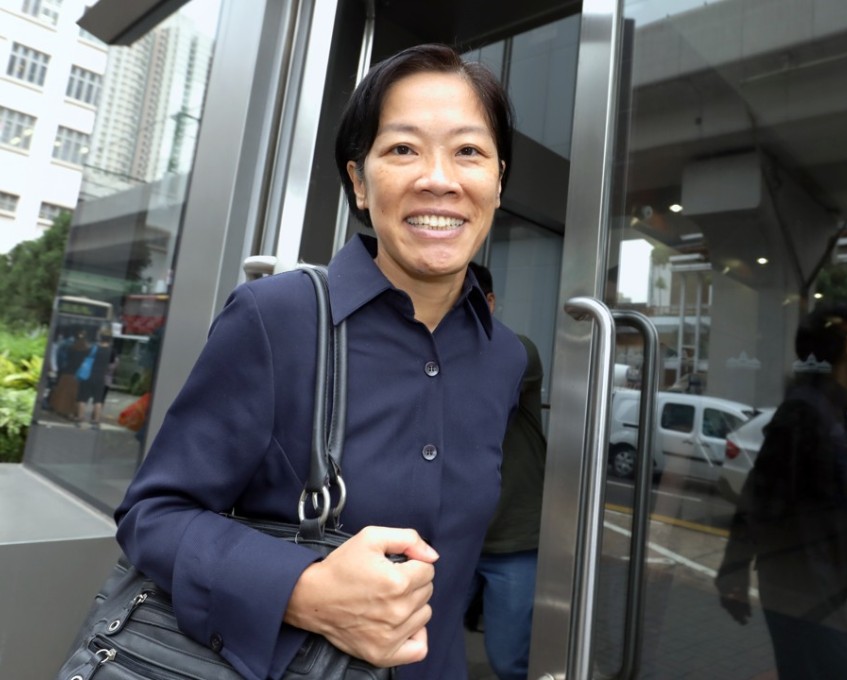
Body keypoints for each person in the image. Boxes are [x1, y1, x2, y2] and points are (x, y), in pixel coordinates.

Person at [115, 44, 526, 680]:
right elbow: (153, 516)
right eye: (403, 149)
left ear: (498, 180)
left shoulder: (503, 356)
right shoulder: (276, 318)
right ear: (359, 183)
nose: (438, 178)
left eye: (469, 150)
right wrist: (303, 590)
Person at [714, 303, 847, 680]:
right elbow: (761, 494)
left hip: (819, 587)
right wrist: (732, 575)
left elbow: (814, 497)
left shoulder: (829, 410)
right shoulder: (806, 413)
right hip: (802, 592)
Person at [465, 262, 547, 680]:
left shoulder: (519, 351)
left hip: (513, 540)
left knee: (507, 660)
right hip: (452, 539)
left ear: (490, 303)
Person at [75, 326, 115, 428]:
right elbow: (112, 364)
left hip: (88, 376)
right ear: (110, 339)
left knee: (82, 398)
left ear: (100, 337)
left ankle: (80, 418)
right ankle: (96, 420)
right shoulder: (111, 351)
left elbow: (83, 357)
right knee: (98, 400)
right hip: (100, 377)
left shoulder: (93, 348)